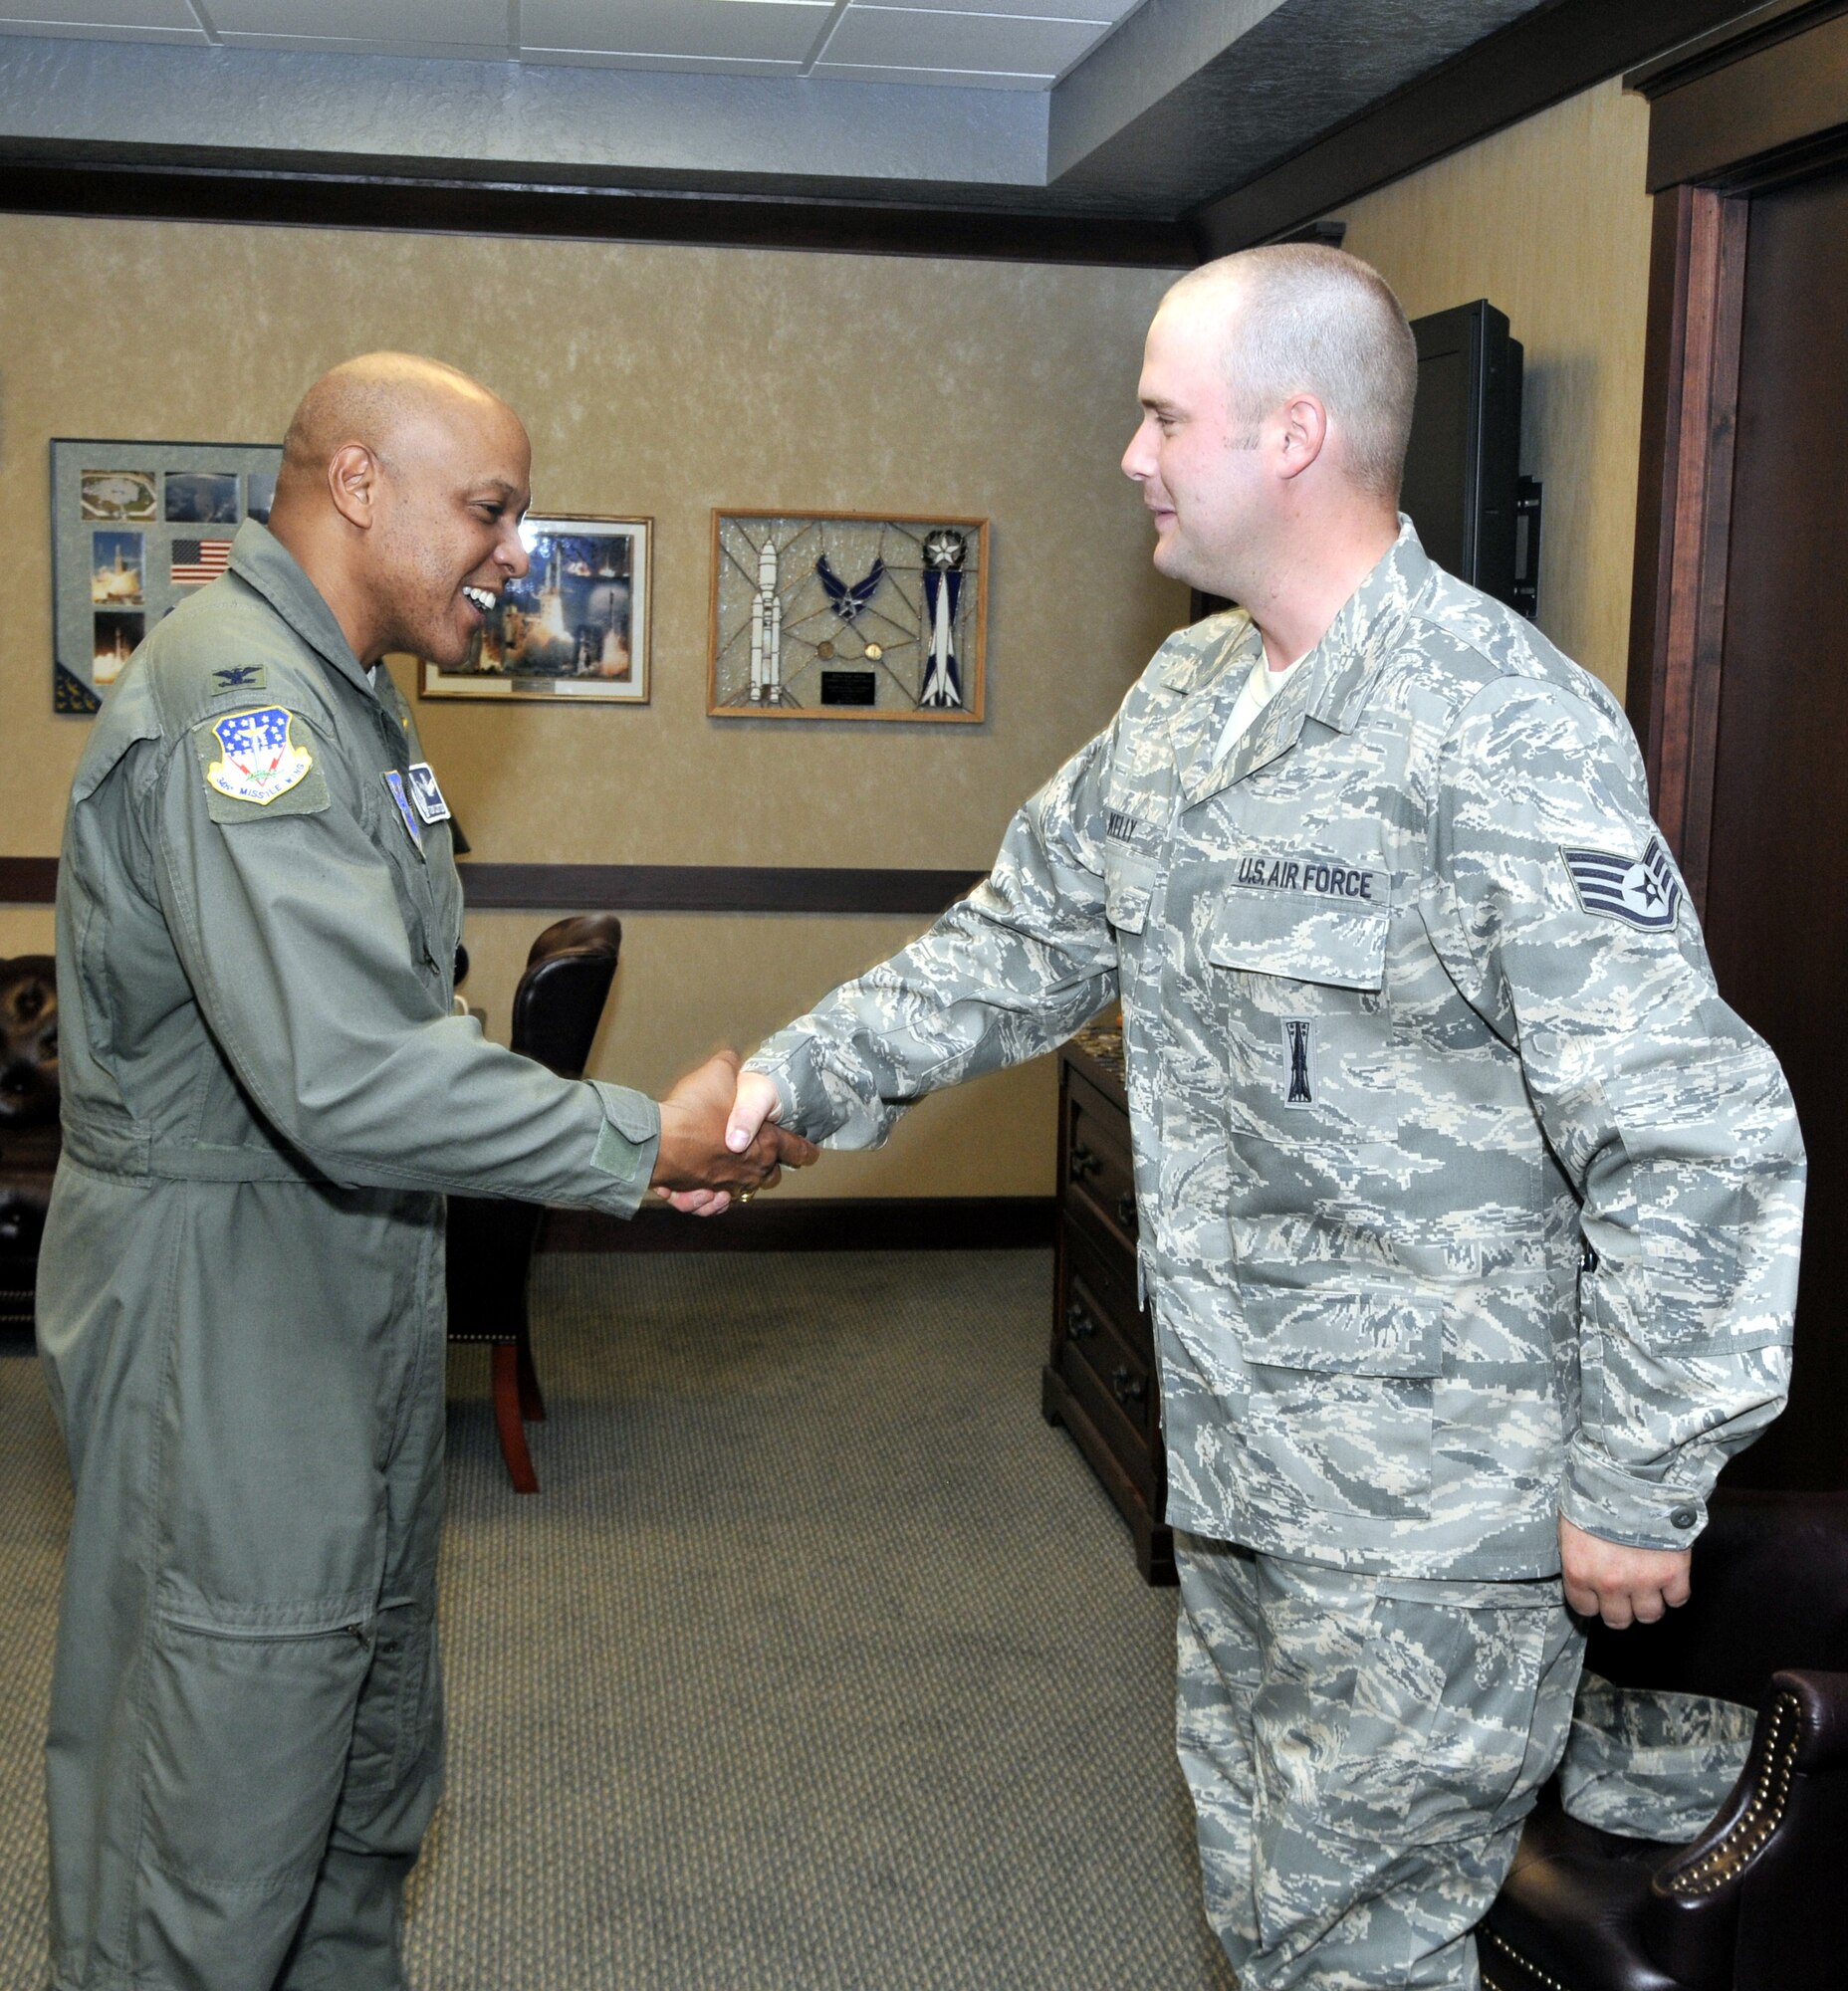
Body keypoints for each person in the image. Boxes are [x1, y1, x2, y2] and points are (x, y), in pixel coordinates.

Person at [711, 249, 1804, 1986]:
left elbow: (1694, 1131)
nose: (1133, 455)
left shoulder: (1497, 728)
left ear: (1294, 432)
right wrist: (789, 1081)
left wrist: (1639, 1478)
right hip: (1237, 1465)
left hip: (1430, 1516)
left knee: (1347, 1941)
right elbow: (1028, 942)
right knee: (1272, 1902)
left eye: (1162, 416)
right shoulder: (1192, 700)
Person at [39, 351, 815, 1991]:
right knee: (222, 1780)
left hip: (349, 1273)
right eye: (492, 508)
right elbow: (342, 1068)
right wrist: (630, 1143)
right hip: (224, 1304)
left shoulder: (356, 699)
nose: (516, 551)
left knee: (353, 1762)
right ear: (357, 487)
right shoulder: (237, 700)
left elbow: (398, 1026)